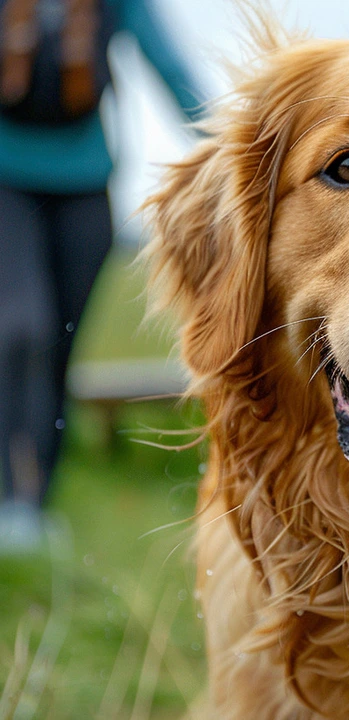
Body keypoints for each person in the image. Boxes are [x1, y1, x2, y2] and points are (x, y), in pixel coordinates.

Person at [0, 0, 205, 552]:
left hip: (86, 186)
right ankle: (10, 500)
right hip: (6, 184)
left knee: (62, 347)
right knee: (21, 330)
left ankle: (34, 500)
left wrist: (236, 149)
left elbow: (169, 65)